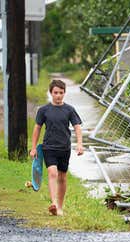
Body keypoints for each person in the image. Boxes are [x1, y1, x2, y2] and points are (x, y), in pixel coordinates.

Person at [30, 79, 84, 216]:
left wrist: (79, 144)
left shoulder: (69, 110)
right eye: (55, 93)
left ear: (64, 93)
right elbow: (37, 129)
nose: (58, 95)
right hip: (49, 148)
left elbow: (77, 127)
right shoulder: (43, 110)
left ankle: (60, 207)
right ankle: (53, 203)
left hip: (65, 148)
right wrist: (34, 147)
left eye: (61, 92)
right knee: (52, 173)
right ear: (51, 93)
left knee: (62, 177)